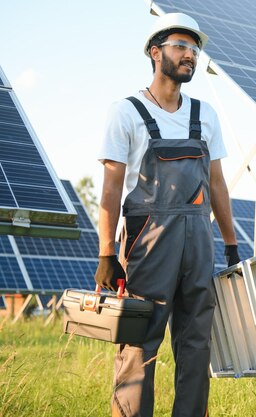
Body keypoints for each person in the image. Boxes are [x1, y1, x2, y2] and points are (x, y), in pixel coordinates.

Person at [94, 12, 240, 417]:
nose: (189, 55)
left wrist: (230, 246)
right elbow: (109, 189)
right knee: (140, 341)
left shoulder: (205, 115)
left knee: (196, 343)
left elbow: (217, 187)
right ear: (156, 53)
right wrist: (107, 253)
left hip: (198, 241)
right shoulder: (125, 111)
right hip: (149, 241)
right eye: (180, 46)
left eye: (194, 49)